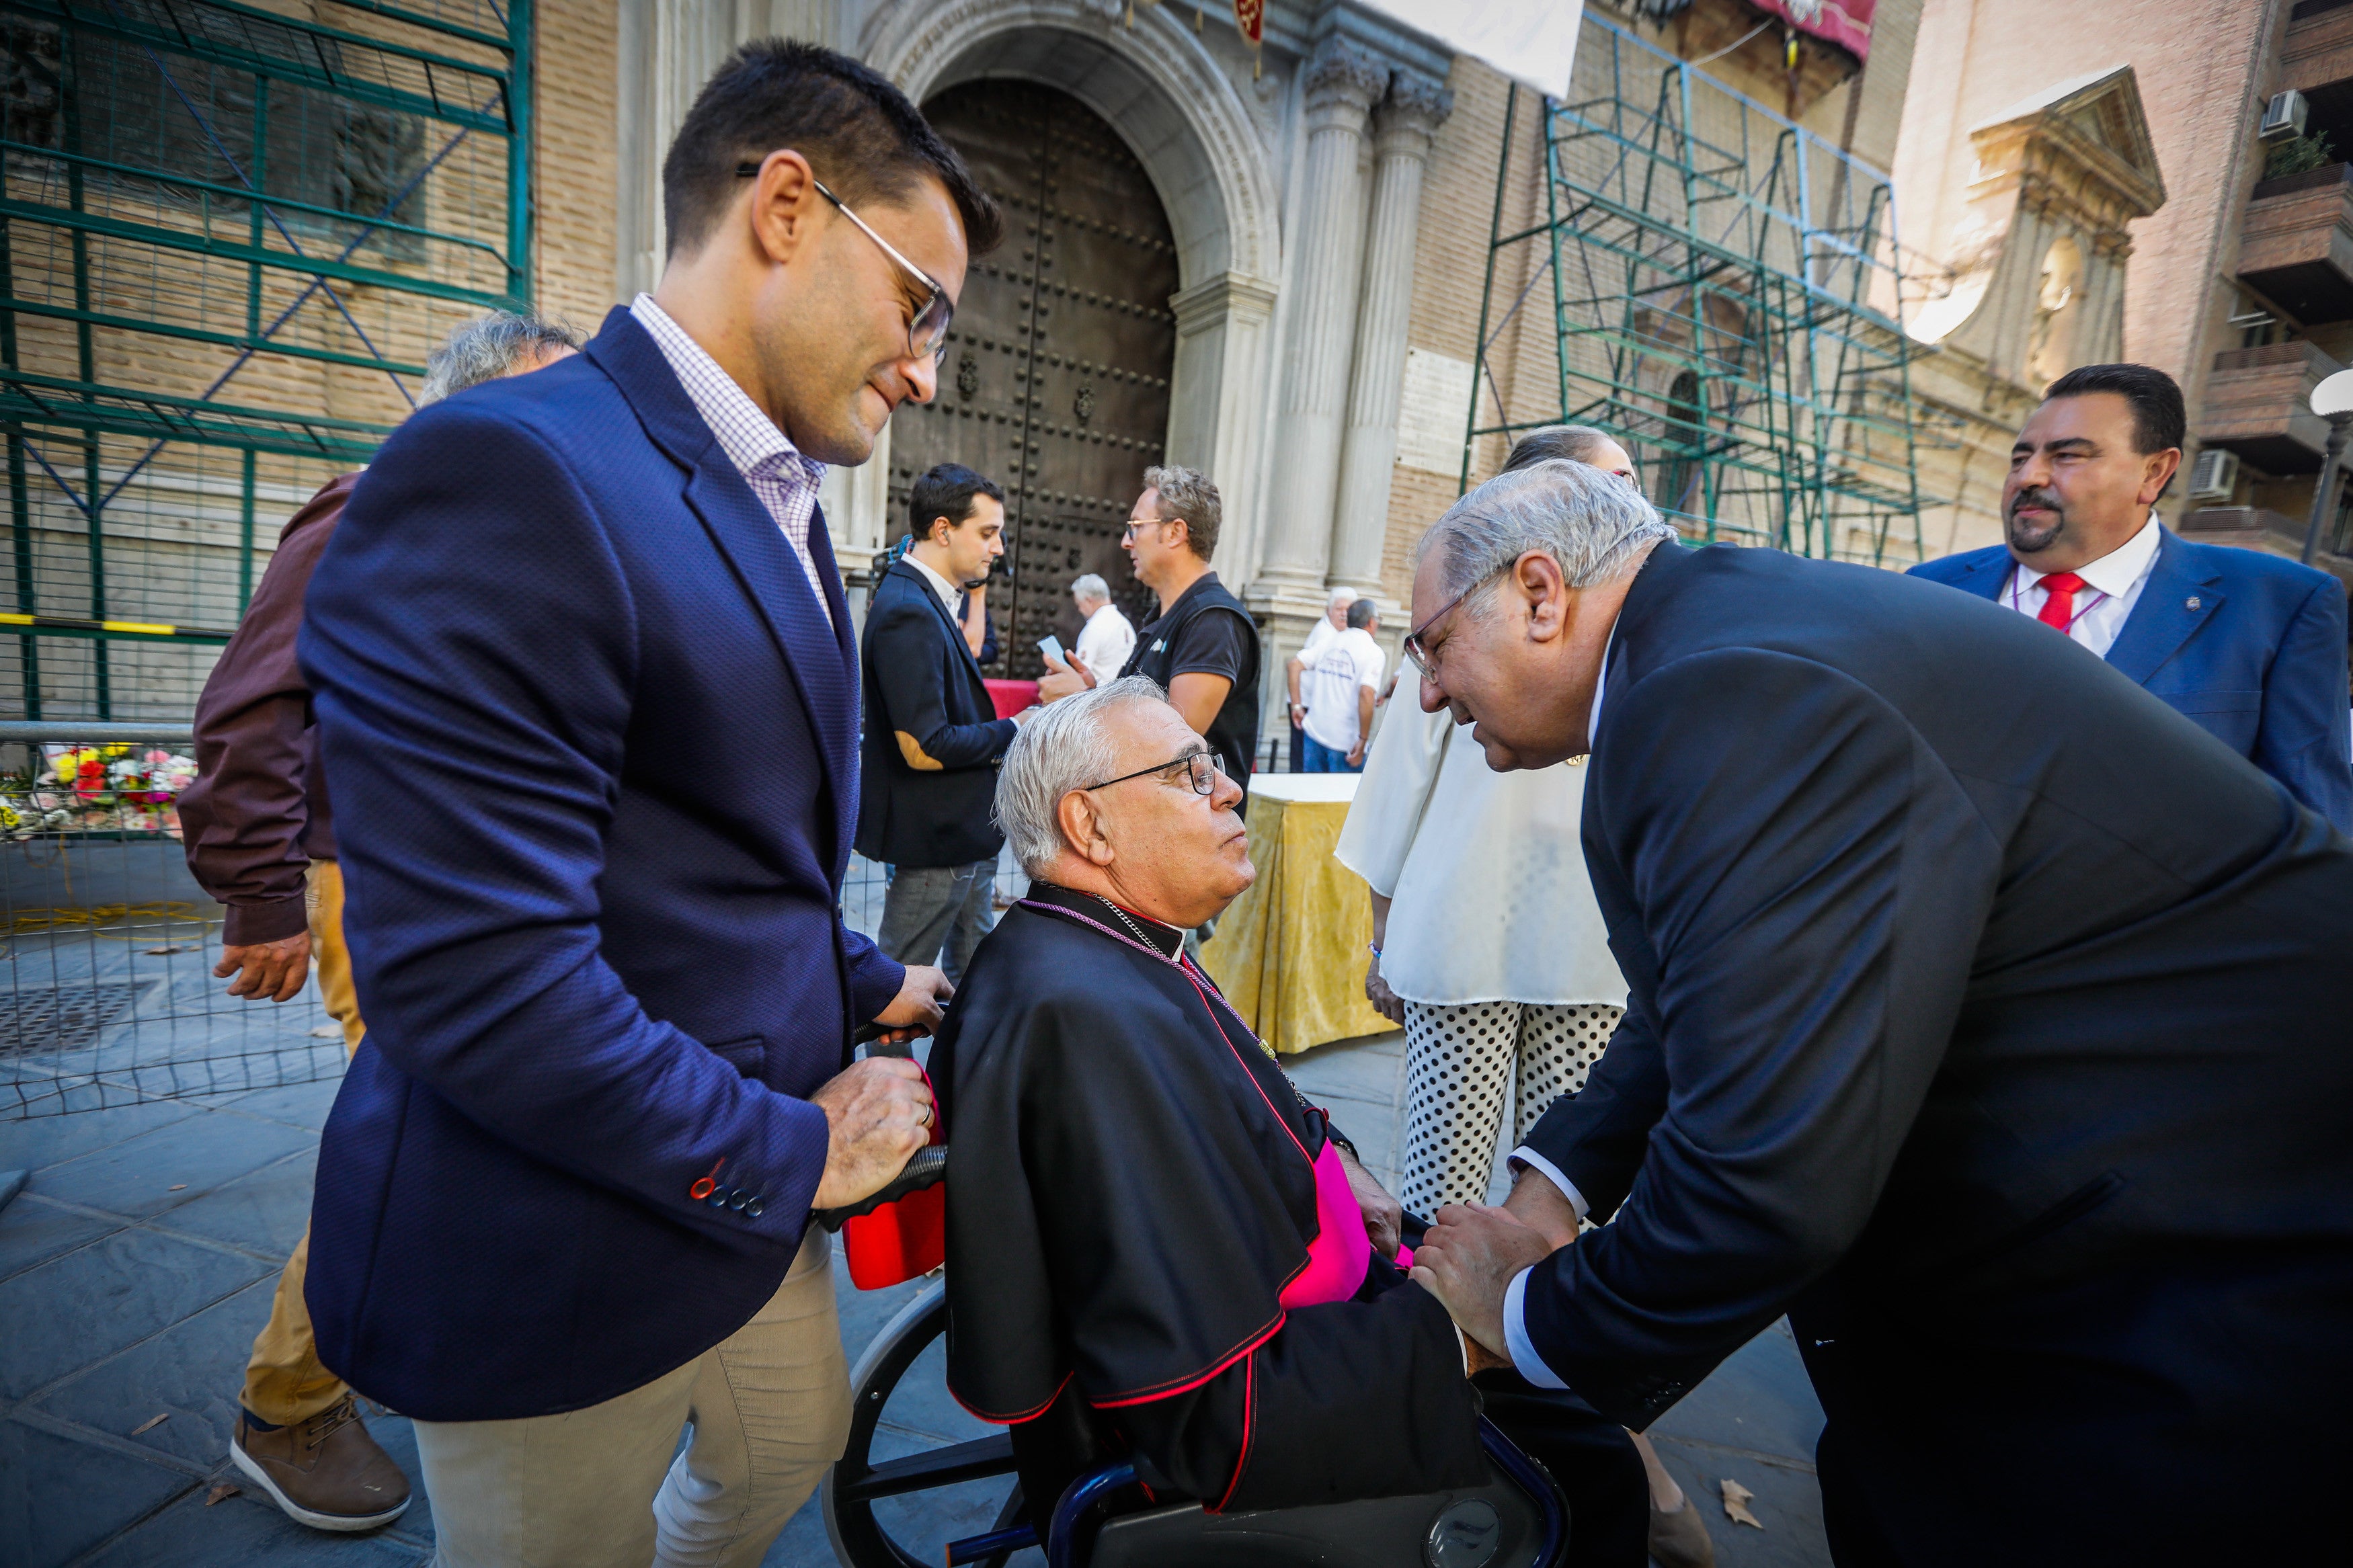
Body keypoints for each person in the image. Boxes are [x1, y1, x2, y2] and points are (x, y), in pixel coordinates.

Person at [296, 40, 987, 1568]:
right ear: (789, 207)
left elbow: (712, 850)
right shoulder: (508, 468)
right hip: (562, 1249)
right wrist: (797, 1152)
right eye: (919, 304)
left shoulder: (779, 491)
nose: (929, 367)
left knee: (790, 1447)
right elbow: (478, 982)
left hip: (733, 1219)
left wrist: (874, 978)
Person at [1401, 459, 2353, 1565]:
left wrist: (1523, 1313)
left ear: (1539, 590)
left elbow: (1762, 1180)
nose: (1426, 690)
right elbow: (1700, 1006)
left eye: (1431, 643)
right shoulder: (1713, 641)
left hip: (2176, 1276)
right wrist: (1551, 1188)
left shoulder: (1718, 688)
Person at [934, 677, 1650, 1565]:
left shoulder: (1107, 945)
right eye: (1188, 775)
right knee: (1592, 1466)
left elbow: (1246, 1106)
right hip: (1258, 1411)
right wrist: (1457, 1336)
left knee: (1578, 1400)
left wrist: (1335, 1163)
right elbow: (1213, 1415)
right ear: (1091, 827)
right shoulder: (1083, 1019)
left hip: (1319, 1298)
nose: (1230, 788)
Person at [175, 309, 580, 1532]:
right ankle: (287, 1399)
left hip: (464, 882)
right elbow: (254, 698)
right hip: (378, 883)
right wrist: (260, 887)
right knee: (415, 1139)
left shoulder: (491, 519)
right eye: (555, 398)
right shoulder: (383, 498)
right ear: (469, 401)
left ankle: (407, 1330)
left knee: (452, 1130)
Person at [1339, 423, 1712, 1568]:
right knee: (1446, 1190)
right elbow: (1404, 765)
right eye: (1601, 490)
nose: (1626, 517)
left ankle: (1566, 1416)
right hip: (1471, 918)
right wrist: (1385, 923)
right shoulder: (1466, 608)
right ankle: (1441, 1419)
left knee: (1562, 1190)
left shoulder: (1650, 639)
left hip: (1592, 941)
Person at [1911, 362, 2352, 829]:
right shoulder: (1929, 588)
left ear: (2154, 473)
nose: (2029, 477)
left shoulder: (2280, 604)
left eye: (2067, 456)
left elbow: (2316, 822)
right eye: (2020, 458)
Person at [861, 462, 1031, 983]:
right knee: (900, 984)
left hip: (964, 836)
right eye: (987, 532)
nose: (998, 547)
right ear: (942, 529)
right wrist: (1017, 729)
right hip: (934, 840)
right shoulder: (908, 608)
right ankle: (888, 1069)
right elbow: (924, 746)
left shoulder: (930, 599)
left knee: (970, 971)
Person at [1035, 464, 1260, 784]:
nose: (1127, 542)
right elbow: (1140, 715)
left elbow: (1172, 741)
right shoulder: (1165, 616)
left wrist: (1085, 705)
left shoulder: (1214, 619)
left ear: (1174, 533)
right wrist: (1090, 693)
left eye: (1136, 527)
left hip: (1191, 827)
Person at [1290, 596, 1384, 772]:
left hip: (1314, 732)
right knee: (1342, 797)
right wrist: (1363, 740)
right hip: (1345, 742)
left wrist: (1296, 706)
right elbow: (1366, 694)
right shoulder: (1374, 652)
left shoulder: (1329, 641)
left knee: (1311, 796)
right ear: (1371, 622)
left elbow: (1294, 664)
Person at [1289, 586, 1357, 768]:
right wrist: (1297, 705)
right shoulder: (1326, 635)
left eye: (1348, 610)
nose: (1344, 614)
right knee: (1304, 760)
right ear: (1328, 611)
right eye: (1339, 609)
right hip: (1306, 704)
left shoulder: (1338, 634)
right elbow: (1294, 665)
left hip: (1313, 705)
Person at [1069, 571, 1135, 675]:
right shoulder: (1125, 624)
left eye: (1079, 604)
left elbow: (1080, 672)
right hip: (1122, 690)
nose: (1080, 610)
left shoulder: (1094, 627)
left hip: (1100, 691)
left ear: (1089, 601)